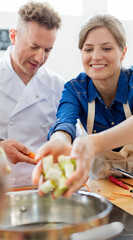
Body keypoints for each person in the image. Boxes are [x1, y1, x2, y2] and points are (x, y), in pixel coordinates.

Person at [32, 14, 133, 197]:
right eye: (88, 49)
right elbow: (65, 123)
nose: (96, 57)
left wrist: (92, 144)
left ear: (123, 52)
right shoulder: (75, 88)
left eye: (106, 48)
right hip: (102, 178)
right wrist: (59, 142)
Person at [0, 1, 65, 187]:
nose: (39, 58)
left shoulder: (58, 85)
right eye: (33, 46)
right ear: (13, 36)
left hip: (40, 191)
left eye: (47, 50)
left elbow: (71, 139)